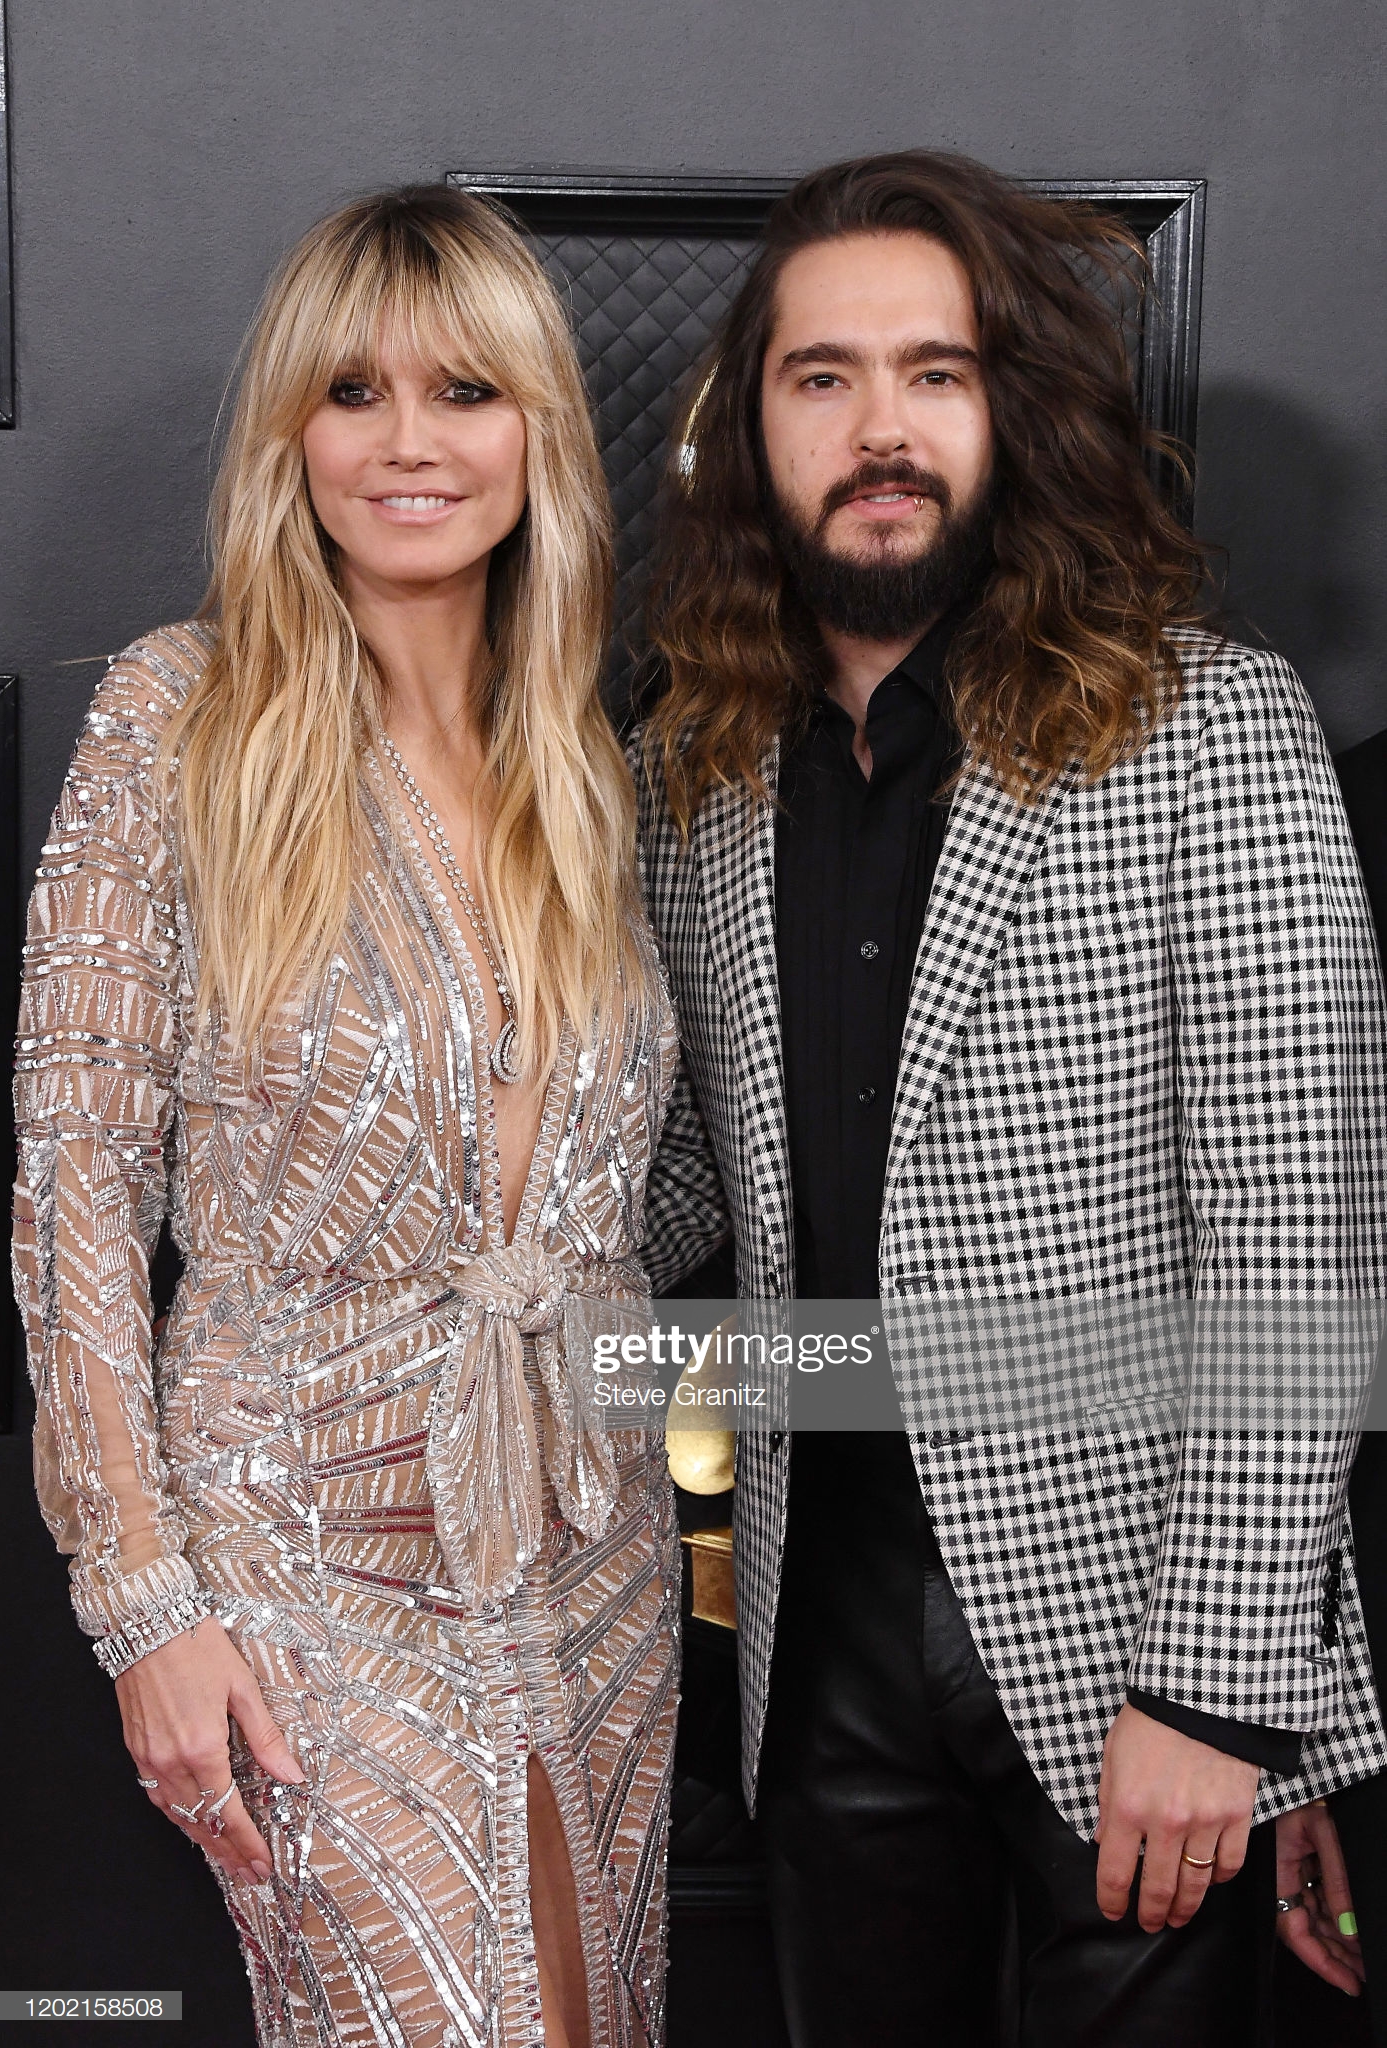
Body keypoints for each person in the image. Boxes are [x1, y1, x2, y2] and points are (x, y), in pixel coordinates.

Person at [632, 149, 1385, 2044]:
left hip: (1132, 1641)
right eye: (823, 379)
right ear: (755, 432)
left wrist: (1222, 1693)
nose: (877, 428)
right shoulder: (683, 770)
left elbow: (1297, 1241)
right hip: (814, 1634)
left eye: (934, 373)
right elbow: (662, 1209)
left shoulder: (1210, 723)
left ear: (1012, 415)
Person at [14, 186, 679, 2048]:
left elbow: (638, 1196)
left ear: (536, 429)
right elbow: (74, 1176)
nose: (408, 442)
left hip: (592, 1544)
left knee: (591, 2016)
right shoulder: (180, 716)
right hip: (301, 1555)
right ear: (287, 438)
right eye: (352, 392)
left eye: (465, 391)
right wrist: (143, 1605)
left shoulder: (590, 767)